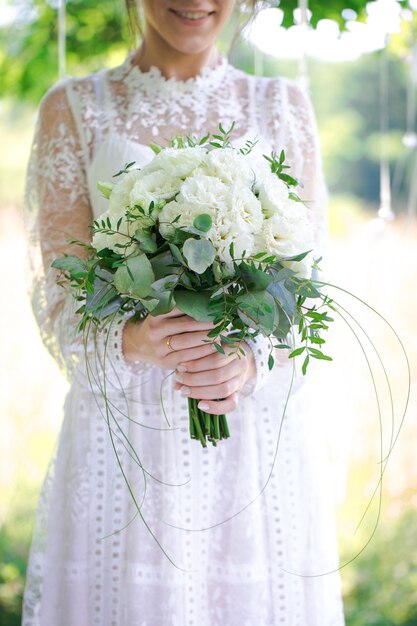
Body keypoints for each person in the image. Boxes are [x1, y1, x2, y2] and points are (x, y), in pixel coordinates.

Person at [23, 1, 345, 624]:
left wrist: (251, 361)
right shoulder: (74, 108)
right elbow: (58, 299)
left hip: (250, 444)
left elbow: (310, 287)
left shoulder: (281, 106)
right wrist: (135, 340)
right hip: (126, 440)